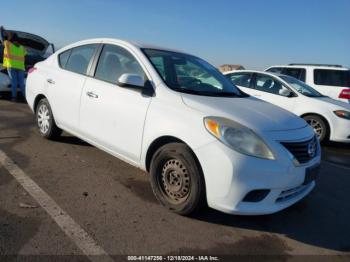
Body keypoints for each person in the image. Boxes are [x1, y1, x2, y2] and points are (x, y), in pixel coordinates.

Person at [0, 26, 26, 102]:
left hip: (11, 66)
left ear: (10, 38)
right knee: (21, 83)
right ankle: (25, 97)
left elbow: (2, 38)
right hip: (21, 67)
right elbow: (25, 56)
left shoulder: (8, 44)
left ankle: (14, 97)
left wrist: (1, 30)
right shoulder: (22, 47)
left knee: (14, 82)